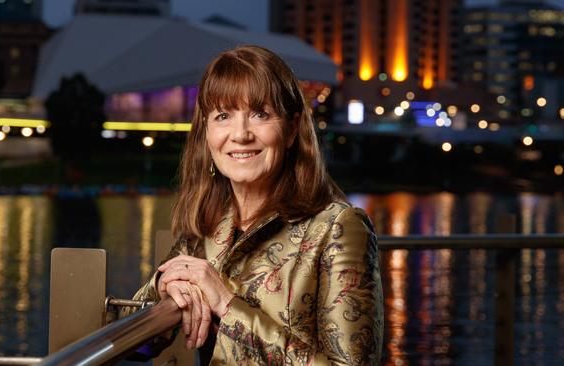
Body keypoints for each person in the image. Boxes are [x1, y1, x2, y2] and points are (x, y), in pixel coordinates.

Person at [126, 45, 383, 365]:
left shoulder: (338, 227)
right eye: (223, 116)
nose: (240, 134)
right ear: (207, 132)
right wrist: (160, 290)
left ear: (291, 129)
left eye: (261, 114)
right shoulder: (206, 227)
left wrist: (226, 304)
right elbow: (131, 346)